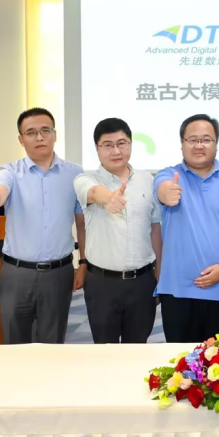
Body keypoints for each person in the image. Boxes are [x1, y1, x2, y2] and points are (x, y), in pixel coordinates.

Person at [0, 108, 86, 344]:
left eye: (45, 130)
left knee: (53, 341)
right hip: (17, 273)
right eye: (31, 132)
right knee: (15, 340)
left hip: (59, 272)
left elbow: (82, 223)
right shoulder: (10, 171)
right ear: (21, 139)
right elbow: (0, 188)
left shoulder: (75, 173)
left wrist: (83, 262)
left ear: (54, 134)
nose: (39, 137)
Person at [154, 114, 219, 343]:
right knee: (180, 360)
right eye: (192, 139)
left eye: (206, 139)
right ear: (182, 143)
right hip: (177, 290)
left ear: (216, 143)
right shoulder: (169, 175)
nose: (199, 145)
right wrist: (168, 192)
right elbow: (163, 189)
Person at [73, 118, 162, 344]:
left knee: (138, 347)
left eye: (122, 143)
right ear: (97, 148)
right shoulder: (85, 179)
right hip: (102, 283)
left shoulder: (146, 180)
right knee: (105, 351)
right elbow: (93, 192)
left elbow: (154, 229)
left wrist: (160, 274)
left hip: (142, 281)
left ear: (130, 144)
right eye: (108, 145)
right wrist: (109, 198)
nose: (116, 151)